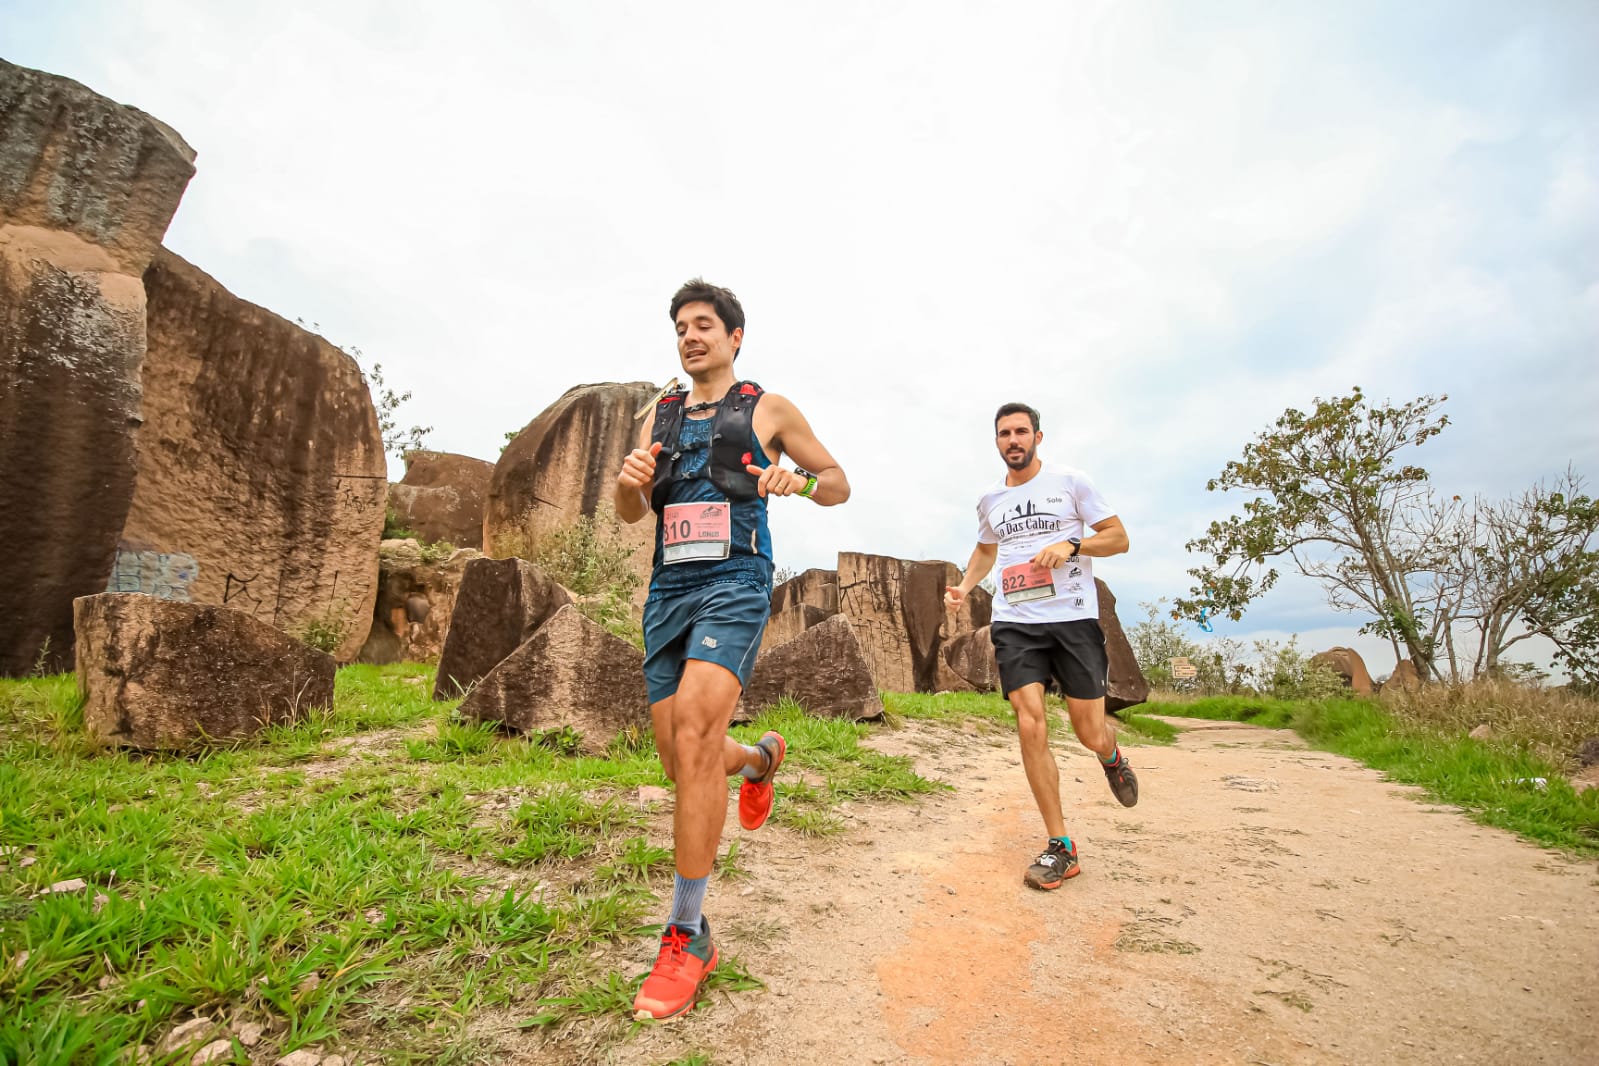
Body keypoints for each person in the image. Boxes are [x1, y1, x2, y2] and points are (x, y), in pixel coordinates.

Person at [613, 278, 850, 1019]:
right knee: (685, 760)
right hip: (666, 592)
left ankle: (687, 934)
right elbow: (630, 511)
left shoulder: (767, 408)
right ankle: (758, 760)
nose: (691, 335)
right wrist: (628, 482)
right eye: (681, 325)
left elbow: (838, 483)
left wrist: (796, 479)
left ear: (733, 336)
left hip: (735, 581)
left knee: (692, 731)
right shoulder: (661, 412)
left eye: (705, 324)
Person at [943, 402, 1135, 890]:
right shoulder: (989, 499)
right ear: (997, 442)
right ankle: (1061, 846)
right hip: (1016, 621)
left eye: (1021, 432)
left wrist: (1072, 546)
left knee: (1089, 730)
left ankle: (1111, 756)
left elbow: (1118, 538)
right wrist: (965, 587)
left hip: (1072, 620)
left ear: (1038, 437)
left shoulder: (1072, 482)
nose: (1014, 440)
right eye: (1005, 433)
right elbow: (987, 549)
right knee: (1031, 723)